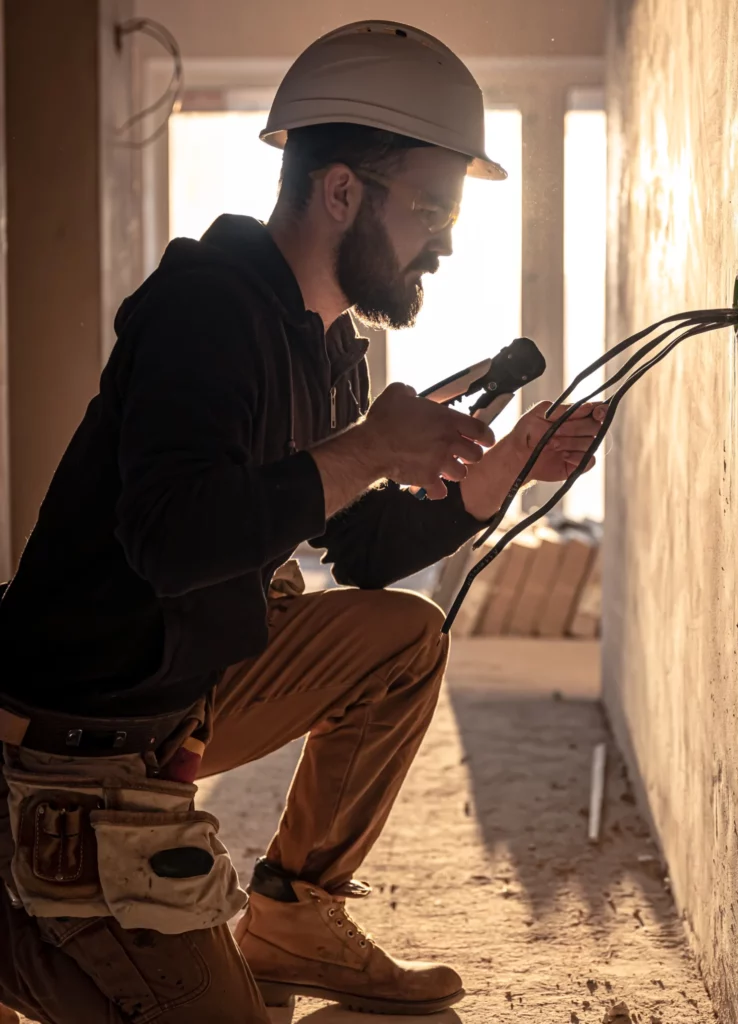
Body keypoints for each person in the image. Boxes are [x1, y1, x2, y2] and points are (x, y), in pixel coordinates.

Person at [0, 20, 604, 1022]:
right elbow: (170, 537)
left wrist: (495, 477)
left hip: (183, 693)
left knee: (403, 639)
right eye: (431, 209)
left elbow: (356, 547)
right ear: (340, 193)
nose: (446, 241)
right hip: (77, 737)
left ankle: (289, 915)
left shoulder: (329, 346)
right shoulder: (209, 311)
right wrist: (368, 448)